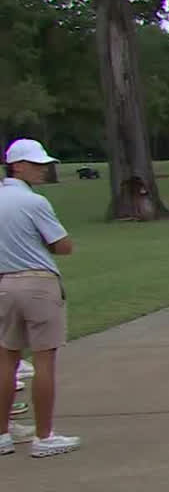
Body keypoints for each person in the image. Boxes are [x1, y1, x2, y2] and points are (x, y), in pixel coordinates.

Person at [0, 138, 79, 457]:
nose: (43, 171)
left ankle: (2, 434)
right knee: (45, 359)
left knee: (7, 359)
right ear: (17, 166)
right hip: (38, 283)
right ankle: (44, 436)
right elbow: (63, 245)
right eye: (36, 165)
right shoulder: (35, 203)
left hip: (4, 284)